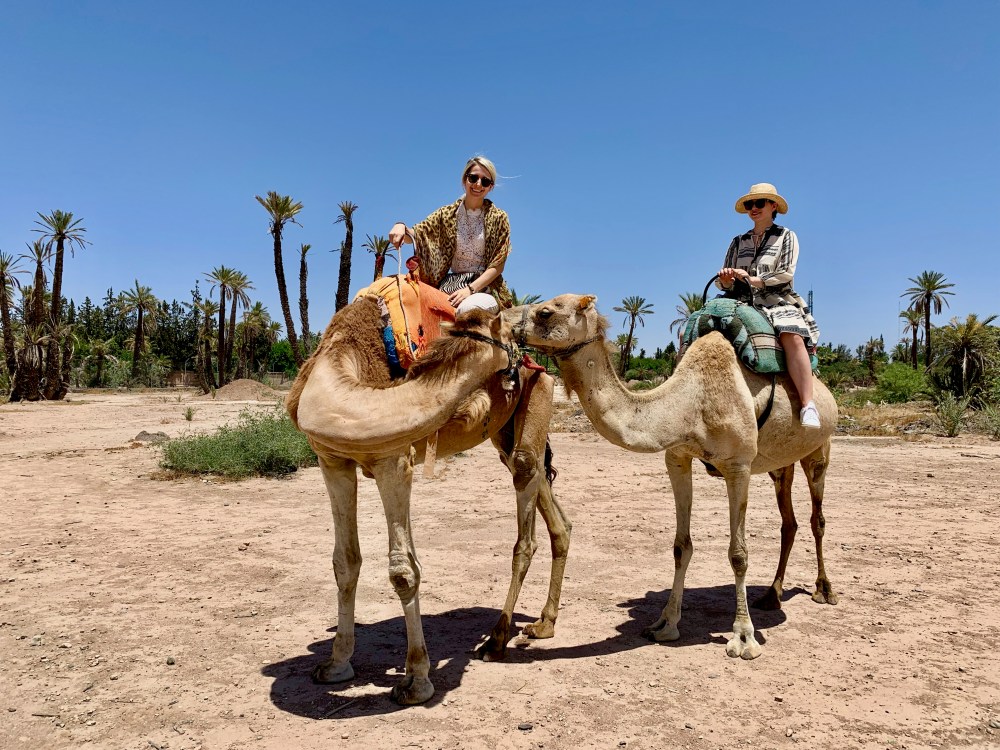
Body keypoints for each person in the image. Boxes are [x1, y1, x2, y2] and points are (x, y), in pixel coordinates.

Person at [717, 182, 822, 428]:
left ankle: (808, 405)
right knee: (691, 329)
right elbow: (726, 284)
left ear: (773, 206)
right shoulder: (737, 241)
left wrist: (756, 280)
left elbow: (786, 273)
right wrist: (725, 281)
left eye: (759, 203)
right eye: (750, 204)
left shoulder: (786, 236)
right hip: (739, 300)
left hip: (777, 300)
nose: (753, 208)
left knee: (791, 335)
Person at [388, 156, 514, 315]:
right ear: (464, 180)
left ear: (491, 187)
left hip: (485, 287)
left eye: (485, 181)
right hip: (450, 284)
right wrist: (401, 227)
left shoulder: (499, 218)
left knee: (467, 309)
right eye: (473, 178)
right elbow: (418, 236)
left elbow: (498, 265)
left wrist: (470, 289)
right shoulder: (446, 214)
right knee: (407, 301)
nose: (478, 184)